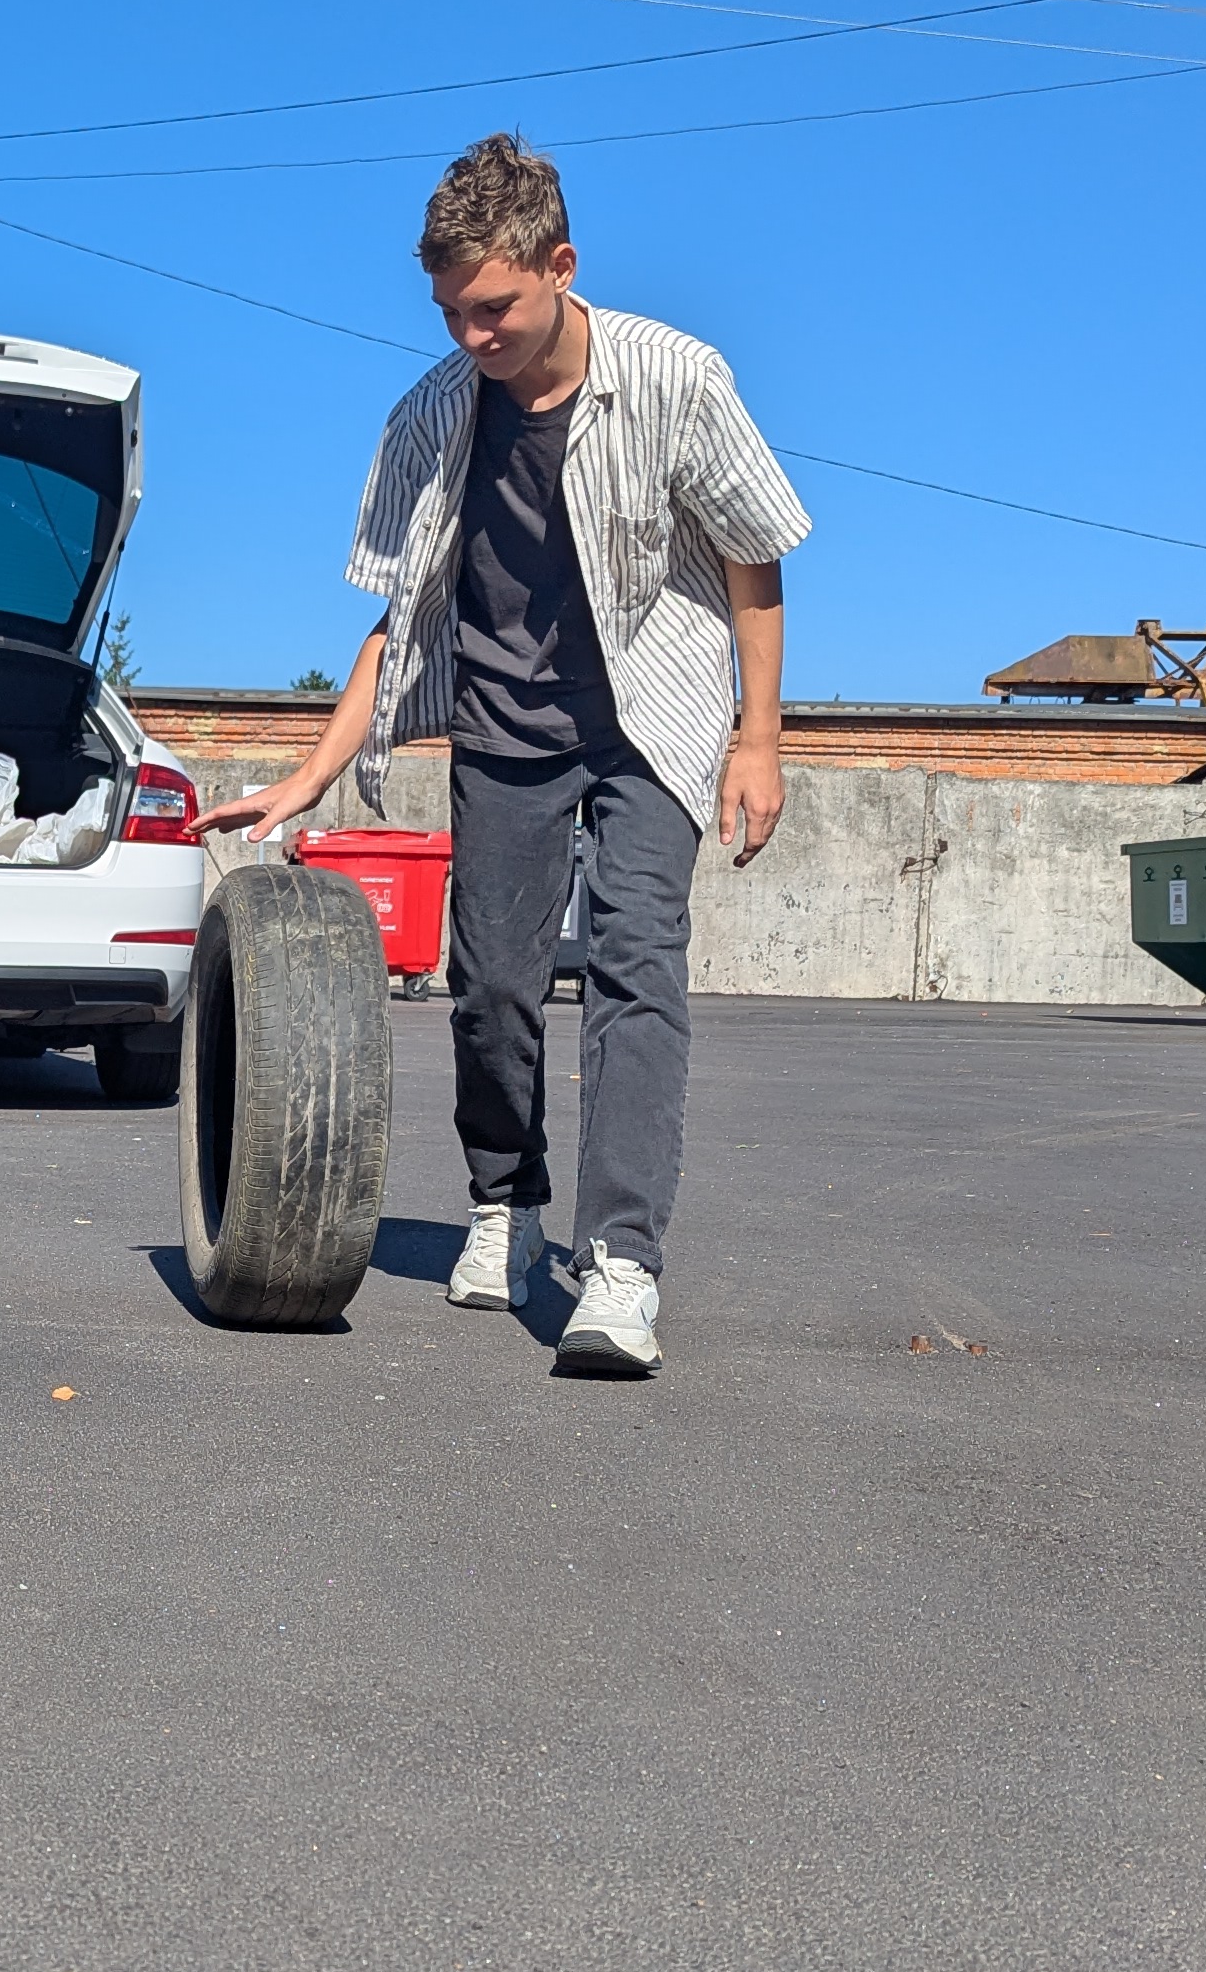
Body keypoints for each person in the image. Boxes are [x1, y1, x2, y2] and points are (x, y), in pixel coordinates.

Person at [196, 137, 805, 1378]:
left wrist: (759, 738)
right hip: (504, 726)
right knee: (490, 987)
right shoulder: (430, 417)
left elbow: (755, 561)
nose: (471, 334)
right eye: (450, 312)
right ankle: (505, 1203)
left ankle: (622, 1263)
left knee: (637, 964)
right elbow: (399, 618)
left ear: (560, 266)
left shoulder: (677, 379)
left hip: (657, 714)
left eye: (495, 308)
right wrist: (313, 773)